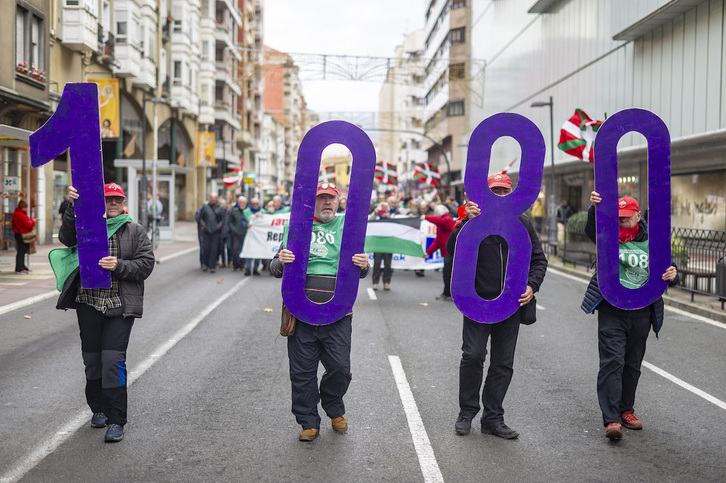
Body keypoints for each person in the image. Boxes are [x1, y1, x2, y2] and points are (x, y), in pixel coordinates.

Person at [448, 173, 548, 440]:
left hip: (511, 305)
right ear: (486, 194)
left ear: (512, 193)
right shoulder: (472, 222)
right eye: (495, 191)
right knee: (472, 356)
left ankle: (493, 418)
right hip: (477, 304)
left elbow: (539, 260)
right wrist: (463, 224)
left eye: (505, 191)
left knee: (503, 363)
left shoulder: (523, 223)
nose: (500, 196)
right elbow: (451, 251)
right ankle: (467, 412)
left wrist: (531, 286)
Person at [270, 181, 370, 442]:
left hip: (338, 312)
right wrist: (279, 261)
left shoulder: (349, 227)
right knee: (302, 372)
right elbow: (275, 266)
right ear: (313, 201)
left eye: (331, 198)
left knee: (340, 368)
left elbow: (362, 269)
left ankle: (333, 405)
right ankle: (308, 422)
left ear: (339, 201)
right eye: (321, 197)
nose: (327, 202)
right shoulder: (296, 226)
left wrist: (364, 265)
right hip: (301, 312)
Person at [54, 183, 154, 442]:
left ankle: (116, 420)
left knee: (112, 362)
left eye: (117, 200)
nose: (112, 203)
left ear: (123, 203)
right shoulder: (88, 225)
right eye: (108, 199)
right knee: (92, 362)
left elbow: (145, 265)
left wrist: (119, 265)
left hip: (119, 306)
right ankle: (97, 408)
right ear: (101, 202)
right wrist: (72, 207)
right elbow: (66, 238)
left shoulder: (135, 230)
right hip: (88, 303)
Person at [581, 192, 679, 440]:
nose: (623, 222)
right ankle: (611, 419)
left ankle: (626, 410)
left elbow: (671, 270)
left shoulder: (654, 242)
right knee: (612, 362)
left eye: (627, 218)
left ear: (638, 216)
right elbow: (592, 230)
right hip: (613, 310)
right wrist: (594, 209)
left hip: (642, 311)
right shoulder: (607, 237)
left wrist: (673, 275)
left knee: (632, 365)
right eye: (619, 218)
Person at [423, 204, 455, 301]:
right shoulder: (443, 223)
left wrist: (426, 217)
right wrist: (429, 252)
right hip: (447, 252)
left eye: (435, 214)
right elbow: (438, 241)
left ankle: (448, 293)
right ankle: (447, 293)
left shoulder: (447, 220)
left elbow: (440, 221)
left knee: (448, 274)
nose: (435, 215)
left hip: (450, 252)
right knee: (447, 273)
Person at [369, 202, 393, 291]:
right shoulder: (376, 217)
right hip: (378, 243)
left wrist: (389, 218)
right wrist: (375, 213)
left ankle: (386, 282)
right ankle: (375, 282)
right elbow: (369, 220)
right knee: (377, 263)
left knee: (387, 264)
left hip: (388, 244)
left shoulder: (392, 216)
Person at [198, 193, 224, 273]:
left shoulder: (220, 208)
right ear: (210, 198)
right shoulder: (205, 207)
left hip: (215, 231)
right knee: (206, 248)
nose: (213, 200)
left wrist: (219, 226)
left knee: (214, 249)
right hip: (206, 231)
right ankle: (206, 264)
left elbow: (222, 219)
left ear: (217, 199)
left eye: (215, 198)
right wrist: (203, 225)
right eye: (212, 198)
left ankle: (212, 266)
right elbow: (200, 218)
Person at [11, 199, 36, 274]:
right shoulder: (20, 214)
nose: (26, 209)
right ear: (22, 207)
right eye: (25, 207)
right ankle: (19, 268)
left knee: (22, 251)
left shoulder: (18, 213)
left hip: (19, 234)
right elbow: (27, 224)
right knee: (21, 252)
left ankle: (22, 266)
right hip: (22, 234)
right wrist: (33, 221)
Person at [243, 197, 263, 276]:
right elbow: (242, 221)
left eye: (256, 204)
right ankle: (247, 268)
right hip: (250, 235)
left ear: (259, 204)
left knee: (257, 251)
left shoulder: (263, 212)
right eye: (253, 204)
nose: (255, 205)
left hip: (259, 235)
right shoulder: (246, 212)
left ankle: (255, 269)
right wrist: (246, 225)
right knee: (249, 251)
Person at [229, 196, 248, 271]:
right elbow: (230, 221)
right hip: (236, 234)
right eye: (240, 202)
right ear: (238, 203)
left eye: (243, 202)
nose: (242, 204)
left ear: (246, 203)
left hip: (245, 233)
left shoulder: (247, 211)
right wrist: (233, 229)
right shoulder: (234, 211)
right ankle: (235, 265)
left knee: (243, 249)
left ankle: (242, 265)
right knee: (235, 249)